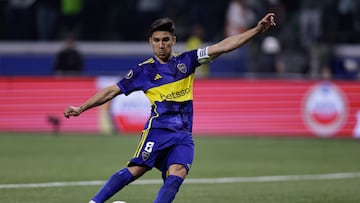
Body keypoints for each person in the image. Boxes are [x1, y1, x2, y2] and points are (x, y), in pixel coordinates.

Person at [64, 13, 276, 203]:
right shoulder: (143, 71)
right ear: (150, 42)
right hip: (158, 131)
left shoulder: (188, 60)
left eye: (166, 40)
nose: (161, 44)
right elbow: (111, 91)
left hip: (183, 134)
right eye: (156, 40)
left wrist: (257, 30)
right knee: (137, 168)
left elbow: (224, 46)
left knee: (178, 172)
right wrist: (81, 108)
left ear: (173, 41)